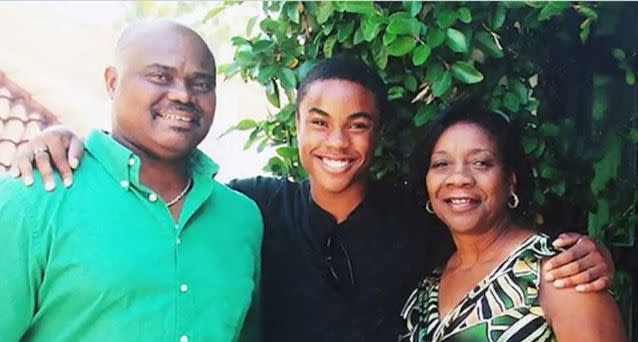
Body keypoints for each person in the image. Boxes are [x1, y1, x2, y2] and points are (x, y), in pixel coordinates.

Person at [9, 56, 613, 342]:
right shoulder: (249, 209)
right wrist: (77, 141)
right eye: (319, 121)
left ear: (377, 134)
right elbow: (168, 193)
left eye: (358, 124)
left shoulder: (415, 222)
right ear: (295, 126)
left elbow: (489, 245)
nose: (337, 142)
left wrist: (585, 253)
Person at [0, 20, 263, 342]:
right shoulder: (35, 199)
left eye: (201, 83)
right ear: (112, 82)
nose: (182, 94)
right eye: (160, 76)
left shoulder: (241, 219)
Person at [400, 105, 626, 341]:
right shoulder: (430, 282)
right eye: (441, 164)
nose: (458, 178)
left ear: (511, 181)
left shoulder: (561, 272)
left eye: (480, 163)